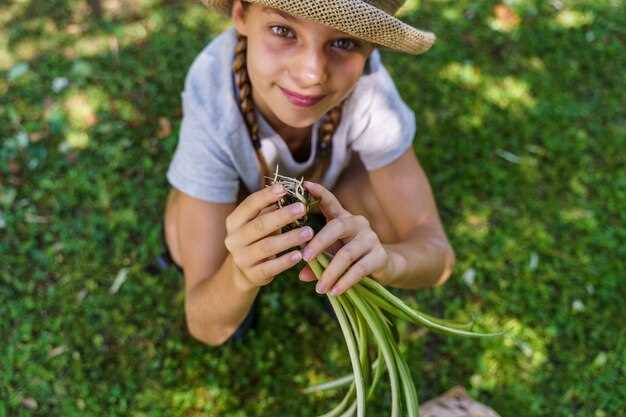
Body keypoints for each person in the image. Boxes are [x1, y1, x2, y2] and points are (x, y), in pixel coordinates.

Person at [163, 0, 454, 348]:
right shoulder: (214, 102)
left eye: (344, 42)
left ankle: (339, 264)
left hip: (328, 189)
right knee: (184, 242)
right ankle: (258, 267)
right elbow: (205, 324)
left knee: (385, 224)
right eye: (283, 31)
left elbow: (438, 254)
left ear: (370, 46)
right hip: (242, 193)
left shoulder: (371, 92)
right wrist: (239, 276)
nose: (311, 73)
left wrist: (388, 262)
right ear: (240, 14)